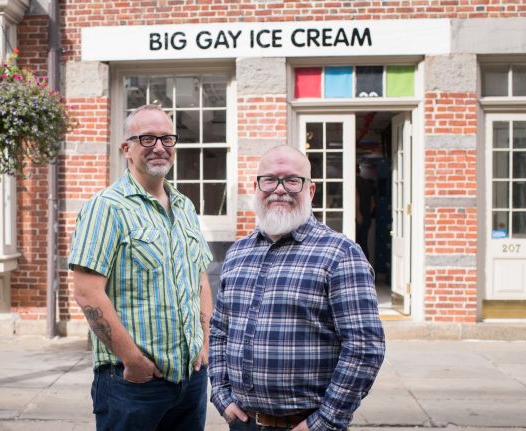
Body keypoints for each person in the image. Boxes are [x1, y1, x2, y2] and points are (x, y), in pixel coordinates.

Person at [209, 145, 385, 431]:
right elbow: (219, 330)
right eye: (269, 179)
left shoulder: (340, 254)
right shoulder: (238, 253)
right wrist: (220, 394)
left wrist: (325, 421)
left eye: (292, 180)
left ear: (310, 191)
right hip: (243, 422)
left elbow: (364, 348)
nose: (279, 189)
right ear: (256, 187)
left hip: (306, 425)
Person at [68, 104, 213, 431]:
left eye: (167, 138)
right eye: (147, 139)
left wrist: (204, 344)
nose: (159, 147)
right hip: (133, 385)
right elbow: (87, 292)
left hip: (190, 380)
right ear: (127, 149)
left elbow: (200, 279)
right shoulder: (106, 207)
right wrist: (132, 360)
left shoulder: (185, 207)